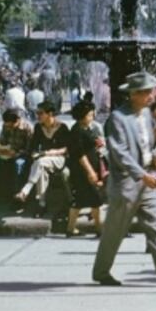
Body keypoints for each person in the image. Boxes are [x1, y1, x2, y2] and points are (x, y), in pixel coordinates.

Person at [91, 72, 156, 287]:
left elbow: (147, 144)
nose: (151, 95)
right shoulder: (118, 118)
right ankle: (101, 272)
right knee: (114, 232)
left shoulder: (147, 114)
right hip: (126, 184)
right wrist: (142, 175)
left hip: (147, 180)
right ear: (134, 94)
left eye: (151, 91)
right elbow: (119, 153)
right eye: (147, 92)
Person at [14, 101, 70, 216]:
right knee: (41, 170)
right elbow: (34, 147)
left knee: (40, 162)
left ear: (50, 114)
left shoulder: (62, 127)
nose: (37, 115)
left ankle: (26, 190)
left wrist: (48, 153)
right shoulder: (38, 128)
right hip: (43, 162)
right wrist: (35, 153)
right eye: (36, 113)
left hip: (59, 159)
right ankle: (42, 204)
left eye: (40, 113)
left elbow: (67, 149)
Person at [66, 99, 105, 238]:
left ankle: (71, 229)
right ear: (82, 116)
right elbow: (80, 155)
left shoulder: (88, 128)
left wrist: (99, 143)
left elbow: (91, 143)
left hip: (89, 167)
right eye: (89, 115)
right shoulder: (76, 131)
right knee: (95, 198)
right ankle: (100, 229)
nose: (92, 117)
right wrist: (91, 172)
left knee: (80, 199)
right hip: (82, 170)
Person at [0, 109, 33, 198]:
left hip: (21, 154)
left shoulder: (28, 128)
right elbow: (1, 141)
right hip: (7, 152)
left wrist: (16, 153)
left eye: (11, 126)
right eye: (7, 126)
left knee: (18, 165)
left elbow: (29, 150)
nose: (9, 128)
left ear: (18, 120)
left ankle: (18, 196)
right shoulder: (6, 125)